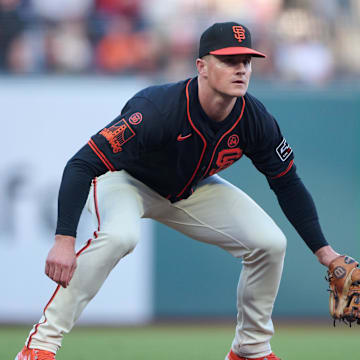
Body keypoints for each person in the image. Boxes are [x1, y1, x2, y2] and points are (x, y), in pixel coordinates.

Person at [16, 22, 341, 360]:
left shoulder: (254, 117)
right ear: (201, 66)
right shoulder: (157, 110)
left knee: (270, 244)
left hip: (188, 189)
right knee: (120, 236)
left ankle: (250, 349)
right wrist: (64, 239)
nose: (241, 69)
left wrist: (325, 253)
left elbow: (287, 182)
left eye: (246, 61)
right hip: (125, 181)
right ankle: (39, 346)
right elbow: (81, 164)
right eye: (229, 60)